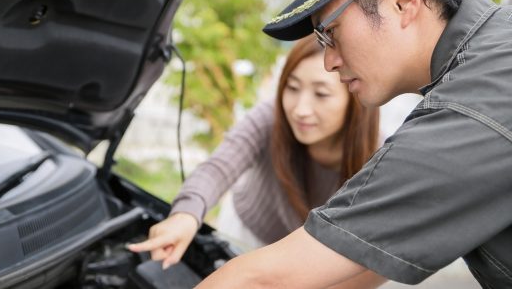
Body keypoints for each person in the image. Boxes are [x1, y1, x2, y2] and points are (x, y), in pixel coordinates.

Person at [195, 0, 512, 288]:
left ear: (401, 0)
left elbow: (262, 281)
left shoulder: (470, 110)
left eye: (330, 33)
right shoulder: (495, 52)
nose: (329, 61)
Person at [128, 35, 380, 273]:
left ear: (356, 97)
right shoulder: (270, 116)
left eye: (321, 94)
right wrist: (185, 215)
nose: (300, 109)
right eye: (292, 88)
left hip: (307, 257)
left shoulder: (379, 156)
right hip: (245, 230)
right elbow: (219, 166)